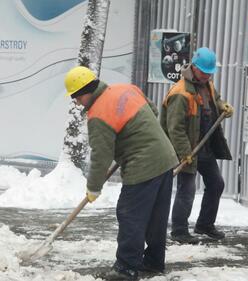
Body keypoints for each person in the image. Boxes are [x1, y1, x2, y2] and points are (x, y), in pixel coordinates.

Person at [64, 66, 178, 280]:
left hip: (142, 164)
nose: (77, 103)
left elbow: (101, 156)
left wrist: (93, 187)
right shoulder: (126, 89)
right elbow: (152, 111)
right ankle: (153, 262)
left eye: (76, 98)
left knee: (129, 214)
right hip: (165, 157)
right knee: (156, 216)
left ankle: (126, 268)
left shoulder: (98, 114)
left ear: (85, 92)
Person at [160, 47, 234, 244]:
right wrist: (184, 153)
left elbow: (215, 99)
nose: (207, 76)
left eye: (210, 73)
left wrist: (223, 106)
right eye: (204, 72)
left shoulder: (206, 83)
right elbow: (175, 128)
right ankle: (179, 230)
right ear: (193, 67)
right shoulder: (180, 93)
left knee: (216, 183)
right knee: (187, 189)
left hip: (204, 146)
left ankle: (204, 224)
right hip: (186, 148)